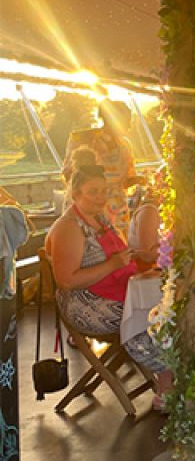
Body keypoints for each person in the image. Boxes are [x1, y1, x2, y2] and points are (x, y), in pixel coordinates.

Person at [45, 165, 169, 406]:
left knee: (171, 307)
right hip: (84, 304)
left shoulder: (100, 219)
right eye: (92, 192)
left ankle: (172, 380)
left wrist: (137, 256)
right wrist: (113, 265)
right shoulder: (68, 227)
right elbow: (67, 280)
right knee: (153, 316)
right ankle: (167, 387)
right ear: (75, 193)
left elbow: (118, 255)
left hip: (116, 291)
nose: (100, 197)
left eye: (103, 191)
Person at [63, 101, 139, 232]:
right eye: (126, 120)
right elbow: (68, 174)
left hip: (117, 211)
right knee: (92, 250)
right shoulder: (84, 139)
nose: (129, 125)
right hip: (90, 209)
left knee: (118, 249)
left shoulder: (125, 146)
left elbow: (125, 182)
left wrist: (138, 180)